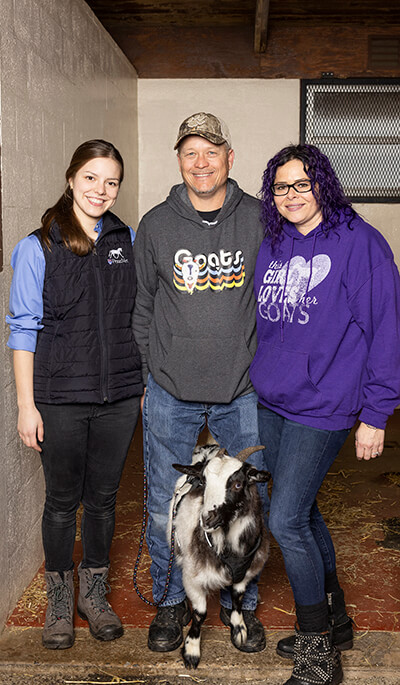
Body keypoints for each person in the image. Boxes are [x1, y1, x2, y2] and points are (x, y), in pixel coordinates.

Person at [250, 143, 400, 685]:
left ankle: (318, 657)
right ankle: (335, 622)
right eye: (281, 187)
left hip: (326, 405)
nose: (291, 196)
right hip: (275, 402)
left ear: (324, 187)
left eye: (302, 185)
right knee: (304, 511)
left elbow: (387, 329)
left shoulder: (360, 243)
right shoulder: (274, 243)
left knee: (285, 519)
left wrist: (375, 414)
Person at [133, 112, 268, 654]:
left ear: (229, 158)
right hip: (170, 388)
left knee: (248, 503)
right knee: (166, 500)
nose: (201, 162)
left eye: (211, 151)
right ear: (179, 161)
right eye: (190, 152)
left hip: (241, 389)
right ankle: (170, 600)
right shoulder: (157, 225)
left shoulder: (259, 218)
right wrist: (151, 371)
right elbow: (142, 306)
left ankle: (241, 604)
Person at [6, 139, 143, 650]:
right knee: (63, 504)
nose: (101, 191)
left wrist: (140, 385)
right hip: (60, 397)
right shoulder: (38, 245)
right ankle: (60, 600)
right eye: (91, 178)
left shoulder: (125, 238)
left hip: (120, 395)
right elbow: (23, 329)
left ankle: (95, 594)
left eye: (111, 182)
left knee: (104, 500)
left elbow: (136, 317)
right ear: (70, 179)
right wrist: (26, 405)